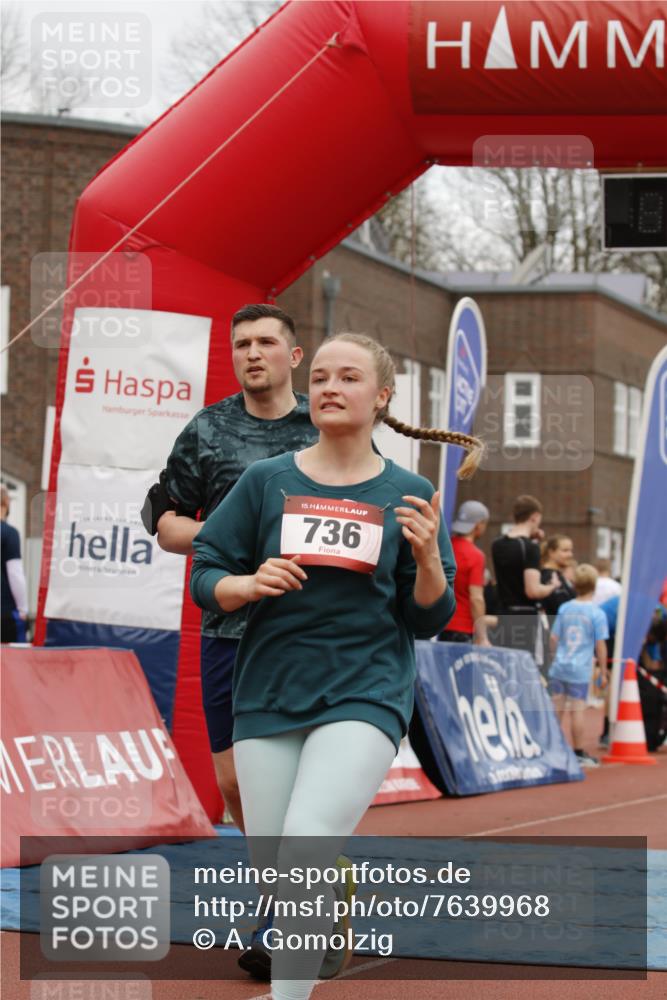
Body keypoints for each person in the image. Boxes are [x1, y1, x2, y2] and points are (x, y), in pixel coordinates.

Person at [190, 332, 481, 1000]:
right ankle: (329, 887)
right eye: (319, 376)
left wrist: (431, 564)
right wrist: (246, 584)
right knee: (277, 866)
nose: (328, 387)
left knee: (306, 840)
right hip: (268, 686)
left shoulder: (408, 493)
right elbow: (207, 570)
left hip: (366, 687)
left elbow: (425, 618)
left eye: (347, 377)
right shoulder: (268, 481)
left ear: (380, 397)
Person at [142, 304, 318, 835]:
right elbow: (168, 526)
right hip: (228, 626)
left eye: (265, 342)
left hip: (311, 627)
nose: (252, 353)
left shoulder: (325, 425)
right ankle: (281, 884)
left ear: (293, 355)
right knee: (236, 782)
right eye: (242, 344)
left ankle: (296, 893)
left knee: (301, 776)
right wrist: (238, 536)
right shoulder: (208, 429)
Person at [548, 564, 609, 768]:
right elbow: (600, 645)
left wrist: (552, 658)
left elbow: (554, 638)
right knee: (577, 710)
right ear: (594, 585)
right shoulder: (597, 614)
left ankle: (552, 747)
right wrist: (602, 669)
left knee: (557, 708)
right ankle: (578, 751)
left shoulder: (565, 608)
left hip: (560, 665)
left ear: (574, 584)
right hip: (580, 668)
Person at [490, 495, 560, 666]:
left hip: (503, 614)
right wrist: (552, 586)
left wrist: (533, 539)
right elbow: (532, 590)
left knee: (504, 667)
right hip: (525, 619)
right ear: (534, 517)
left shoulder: (497, 544)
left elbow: (514, 563)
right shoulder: (530, 548)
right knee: (527, 670)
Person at [440, 500, 490, 644]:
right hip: (463, 628)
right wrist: (482, 636)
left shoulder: (444, 548)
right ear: (479, 525)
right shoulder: (476, 556)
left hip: (440, 622)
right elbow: (476, 598)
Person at [1, 486, 28, 643]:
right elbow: (15, 573)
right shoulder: (9, 533)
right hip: (4, 612)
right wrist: (23, 608)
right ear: (6, 502)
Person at [540, 535, 576, 622]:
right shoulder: (549, 577)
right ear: (551, 552)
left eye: (571, 550)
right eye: (565, 550)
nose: (570, 555)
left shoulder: (559, 576)